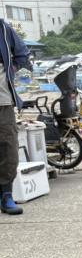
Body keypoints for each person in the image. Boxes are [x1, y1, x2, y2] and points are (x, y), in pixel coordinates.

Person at [0, 19, 31, 215]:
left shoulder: (3, 28)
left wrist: (10, 72)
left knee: (7, 146)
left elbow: (22, 53)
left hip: (2, 100)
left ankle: (5, 194)